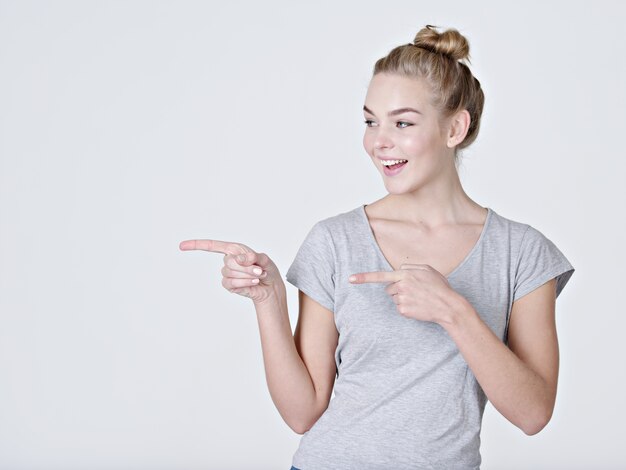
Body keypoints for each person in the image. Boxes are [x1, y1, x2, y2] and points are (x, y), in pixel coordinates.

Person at [179, 25, 574, 470]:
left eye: (402, 123)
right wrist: (269, 300)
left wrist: (453, 310)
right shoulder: (335, 240)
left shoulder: (521, 252)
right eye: (371, 121)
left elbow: (534, 413)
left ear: (455, 128)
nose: (378, 142)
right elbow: (302, 412)